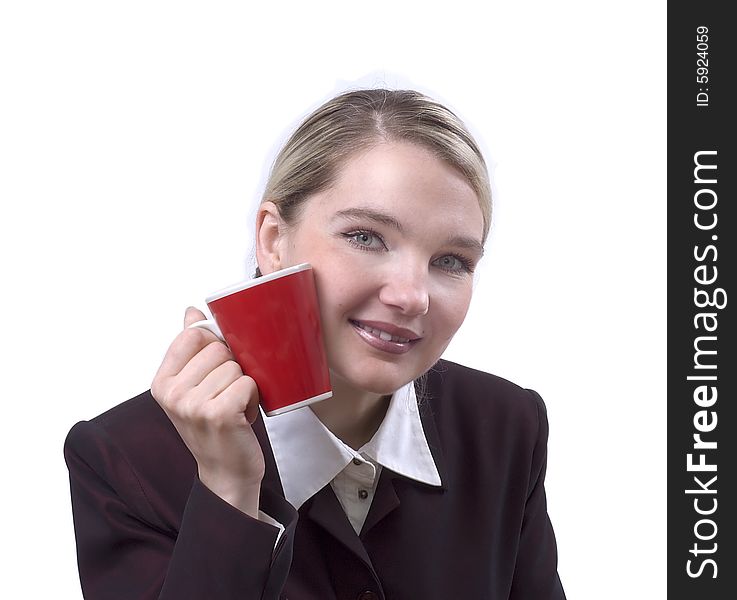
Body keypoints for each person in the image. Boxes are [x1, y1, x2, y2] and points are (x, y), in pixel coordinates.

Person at [64, 88, 567, 599]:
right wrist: (229, 493)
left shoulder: (506, 427)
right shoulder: (123, 458)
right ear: (273, 240)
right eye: (366, 237)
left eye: (452, 261)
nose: (412, 296)